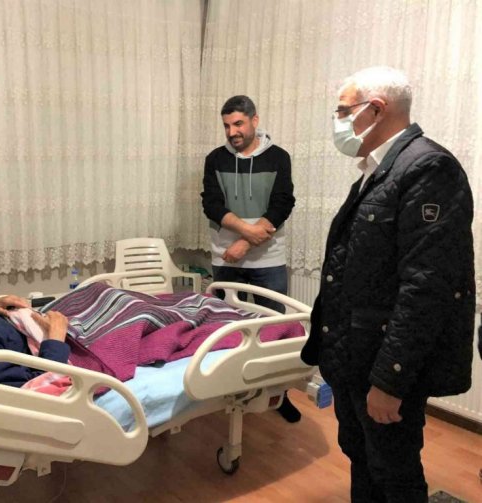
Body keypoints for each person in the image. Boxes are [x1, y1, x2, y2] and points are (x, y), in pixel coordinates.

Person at [301, 66, 475, 502]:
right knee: (361, 455)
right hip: (354, 355)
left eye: (344, 111)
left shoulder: (428, 168)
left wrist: (390, 381)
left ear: (376, 110)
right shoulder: (379, 169)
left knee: (393, 471)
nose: (338, 121)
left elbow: (426, 289)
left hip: (382, 364)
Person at [201, 94, 300, 423]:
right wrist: (246, 232)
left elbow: (282, 203)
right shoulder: (215, 159)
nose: (232, 132)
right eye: (227, 126)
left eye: (238, 124)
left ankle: (277, 393)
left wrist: (246, 242)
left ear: (255, 121)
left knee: (273, 329)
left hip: (268, 259)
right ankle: (227, 391)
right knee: (227, 326)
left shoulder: (279, 157)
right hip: (226, 258)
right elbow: (212, 204)